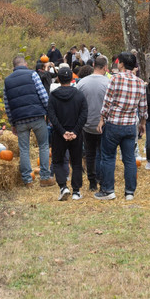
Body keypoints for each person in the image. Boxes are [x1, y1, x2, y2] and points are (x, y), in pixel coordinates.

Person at [95, 51, 147, 201]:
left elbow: (107, 102)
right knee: (129, 159)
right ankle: (129, 192)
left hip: (114, 124)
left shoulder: (115, 79)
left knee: (109, 157)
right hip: (130, 125)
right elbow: (143, 108)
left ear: (122, 64)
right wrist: (142, 123)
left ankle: (108, 190)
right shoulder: (139, 82)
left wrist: (101, 119)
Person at [3, 55, 54, 186]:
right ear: (25, 64)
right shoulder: (32, 74)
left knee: (24, 149)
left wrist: (12, 123)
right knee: (43, 145)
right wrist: (50, 114)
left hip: (19, 120)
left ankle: (27, 180)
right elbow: (43, 95)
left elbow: (7, 105)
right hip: (36, 116)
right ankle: (44, 178)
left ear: (13, 67)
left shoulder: (7, 81)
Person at [47, 65, 88, 201]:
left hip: (59, 134)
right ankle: (76, 191)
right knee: (76, 162)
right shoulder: (79, 95)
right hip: (76, 134)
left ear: (58, 79)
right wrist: (75, 131)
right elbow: (84, 114)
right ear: (72, 79)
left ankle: (63, 187)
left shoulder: (53, 96)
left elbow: (52, 116)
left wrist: (63, 131)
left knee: (57, 161)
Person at [78, 55, 110, 192]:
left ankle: (92, 181)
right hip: (104, 123)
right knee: (103, 153)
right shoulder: (109, 82)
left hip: (87, 123)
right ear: (105, 67)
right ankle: (101, 179)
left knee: (90, 153)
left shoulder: (81, 83)